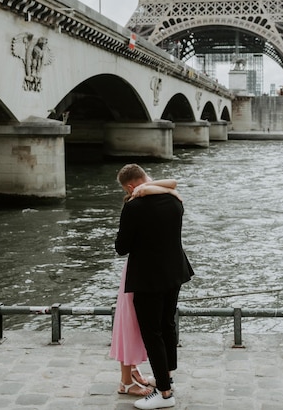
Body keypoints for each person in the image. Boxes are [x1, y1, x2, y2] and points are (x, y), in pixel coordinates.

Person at [115, 164, 194, 410]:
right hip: (174, 272)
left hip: (148, 277)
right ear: (146, 178)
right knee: (167, 325)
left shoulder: (133, 207)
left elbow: (122, 247)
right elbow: (171, 185)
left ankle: (164, 394)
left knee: (152, 332)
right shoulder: (174, 202)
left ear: (130, 187)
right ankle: (166, 377)